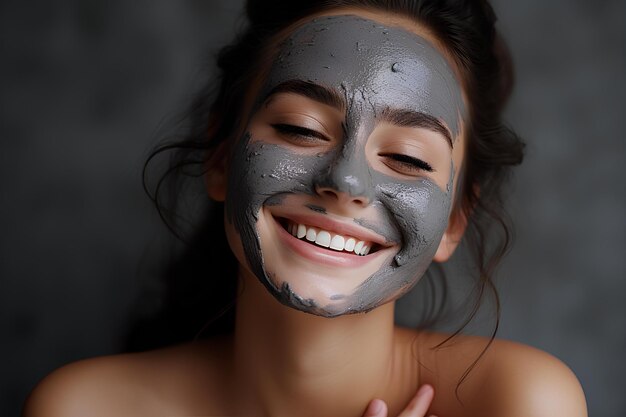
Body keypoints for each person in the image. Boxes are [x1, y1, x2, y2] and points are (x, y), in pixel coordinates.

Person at [23, 1, 588, 416]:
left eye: (409, 159)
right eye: (300, 129)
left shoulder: (518, 401)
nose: (346, 181)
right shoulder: (84, 407)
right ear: (222, 156)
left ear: (455, 221)